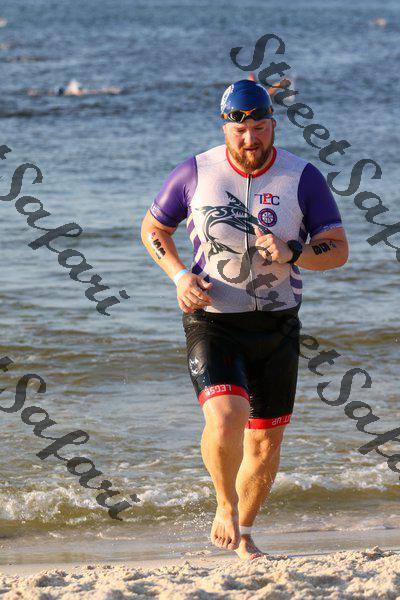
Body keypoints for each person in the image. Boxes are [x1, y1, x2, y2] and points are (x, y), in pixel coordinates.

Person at [141, 78, 348, 560]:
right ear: (225, 128)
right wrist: (179, 276)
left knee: (265, 443)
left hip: (277, 325)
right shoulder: (195, 172)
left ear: (274, 125)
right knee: (227, 415)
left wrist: (294, 252)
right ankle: (225, 504)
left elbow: (337, 249)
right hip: (213, 318)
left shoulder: (302, 177)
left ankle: (247, 532)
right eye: (240, 131)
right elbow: (154, 228)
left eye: (259, 128)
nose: (250, 140)